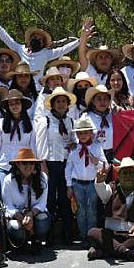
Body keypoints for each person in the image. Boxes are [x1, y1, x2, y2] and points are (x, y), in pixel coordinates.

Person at [0, 5, 82, 80]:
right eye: (35, 37)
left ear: (43, 44)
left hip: (38, 90)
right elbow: (5, 37)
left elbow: (64, 49)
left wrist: (81, 40)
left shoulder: (46, 53)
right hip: (21, 88)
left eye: (40, 39)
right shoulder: (20, 49)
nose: (37, 39)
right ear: (30, 38)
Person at [88, 157, 134, 263]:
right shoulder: (112, 188)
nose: (128, 176)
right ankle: (129, 253)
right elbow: (103, 193)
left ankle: (105, 251)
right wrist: (100, 183)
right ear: (119, 176)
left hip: (132, 236)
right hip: (111, 235)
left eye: (131, 173)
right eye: (125, 173)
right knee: (93, 233)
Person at [35, 86, 77, 245]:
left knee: (65, 199)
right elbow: (40, 144)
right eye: (57, 101)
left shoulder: (70, 121)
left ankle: (67, 234)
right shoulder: (45, 121)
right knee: (50, 199)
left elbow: (73, 141)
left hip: (66, 163)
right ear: (52, 104)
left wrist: (73, 145)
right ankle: (49, 235)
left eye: (63, 101)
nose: (60, 104)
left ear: (67, 104)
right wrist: (43, 164)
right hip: (50, 163)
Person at [66, 116, 107, 243]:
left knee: (92, 210)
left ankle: (92, 237)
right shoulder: (74, 149)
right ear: (77, 134)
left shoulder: (97, 147)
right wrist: (69, 186)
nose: (83, 135)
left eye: (85, 132)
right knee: (80, 211)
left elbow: (106, 165)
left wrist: (97, 162)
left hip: (92, 184)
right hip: (77, 184)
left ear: (91, 133)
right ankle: (83, 235)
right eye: (80, 133)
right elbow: (68, 168)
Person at [1, 148, 50, 254]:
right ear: (18, 164)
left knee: (43, 219)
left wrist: (31, 215)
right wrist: (19, 216)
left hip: (35, 214)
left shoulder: (42, 178)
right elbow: (7, 205)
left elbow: (42, 203)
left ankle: (36, 240)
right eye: (24, 163)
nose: (28, 166)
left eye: (31, 163)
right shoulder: (9, 180)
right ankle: (20, 243)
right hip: (17, 215)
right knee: (15, 227)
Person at [0, 90, 36, 184]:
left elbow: (33, 147)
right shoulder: (1, 123)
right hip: (3, 165)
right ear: (8, 107)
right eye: (11, 104)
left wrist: (33, 166)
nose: (14, 106)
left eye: (17, 103)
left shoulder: (31, 124)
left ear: (22, 105)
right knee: (3, 195)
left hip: (22, 167)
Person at [84, 85, 115, 161]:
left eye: (105, 99)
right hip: (94, 155)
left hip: (113, 154)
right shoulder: (86, 118)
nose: (102, 102)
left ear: (109, 101)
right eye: (99, 99)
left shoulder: (113, 116)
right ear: (93, 101)